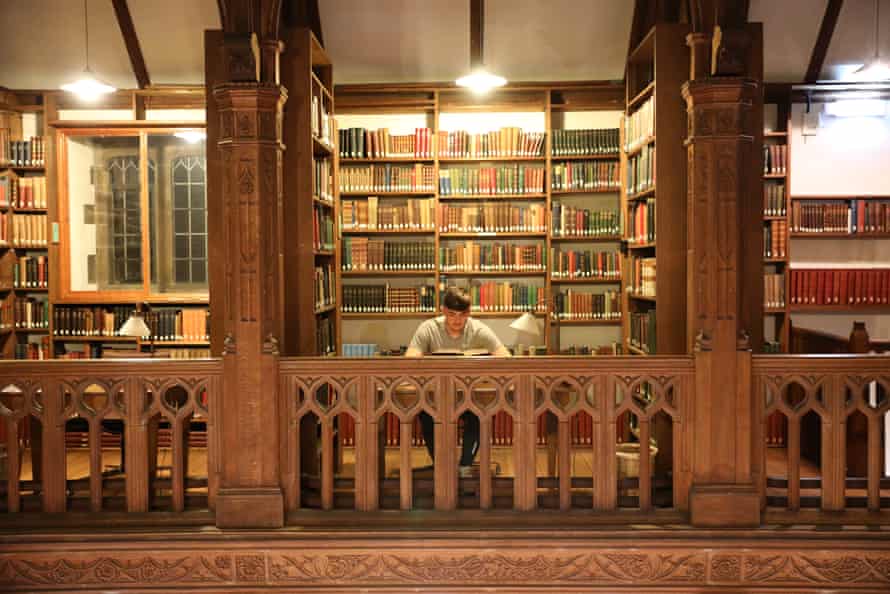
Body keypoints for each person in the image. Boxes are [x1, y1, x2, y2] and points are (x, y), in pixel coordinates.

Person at [405, 286, 510, 475]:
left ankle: (465, 466)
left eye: (462, 315)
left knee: (480, 414)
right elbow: (410, 359)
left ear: (469, 313)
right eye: (452, 314)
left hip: (469, 395)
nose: (457, 320)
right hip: (436, 395)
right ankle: (443, 465)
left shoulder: (478, 329)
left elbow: (505, 358)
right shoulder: (428, 328)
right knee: (426, 414)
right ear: (444, 311)